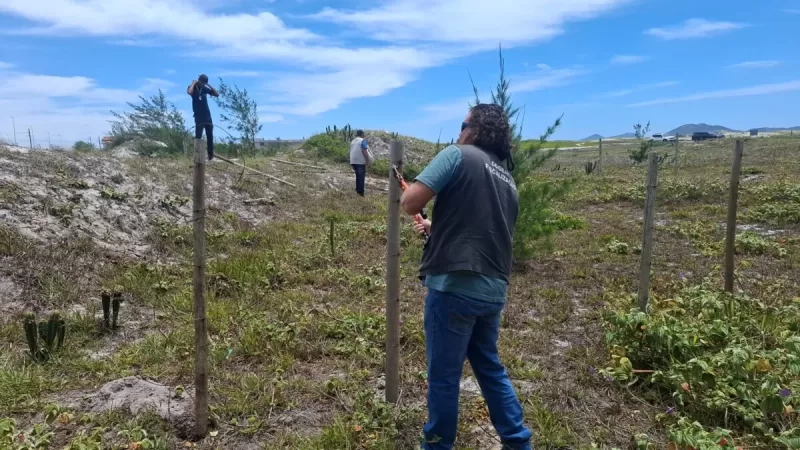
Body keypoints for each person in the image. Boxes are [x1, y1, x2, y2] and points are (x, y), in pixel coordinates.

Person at [400, 103, 532, 450]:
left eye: (462, 124)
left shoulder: (457, 154)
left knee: (443, 377)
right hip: (493, 289)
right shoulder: (507, 177)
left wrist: (409, 193)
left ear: (473, 130)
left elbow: (411, 202)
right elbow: (483, 227)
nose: (459, 131)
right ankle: (518, 443)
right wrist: (436, 226)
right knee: (489, 367)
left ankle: (437, 446)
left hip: (454, 286)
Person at [187, 74, 219, 160]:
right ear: (198, 80)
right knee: (198, 136)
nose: (203, 84)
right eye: (202, 82)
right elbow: (189, 92)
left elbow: (216, 94)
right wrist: (193, 83)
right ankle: (197, 156)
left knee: (210, 136)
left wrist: (208, 85)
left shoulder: (204, 88)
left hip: (207, 115)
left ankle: (210, 156)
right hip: (198, 116)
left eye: (205, 83)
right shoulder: (192, 87)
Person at [349, 129, 371, 196]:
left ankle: (358, 190)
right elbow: (364, 151)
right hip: (360, 161)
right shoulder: (362, 140)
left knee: (358, 176)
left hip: (353, 161)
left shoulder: (352, 141)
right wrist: (367, 161)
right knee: (361, 177)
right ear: (362, 134)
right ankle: (360, 193)